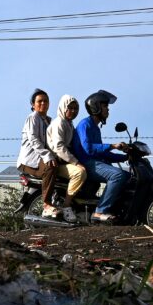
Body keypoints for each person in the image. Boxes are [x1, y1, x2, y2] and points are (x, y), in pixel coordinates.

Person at [71, 90, 131, 223]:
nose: (107, 110)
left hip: (95, 162)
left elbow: (103, 152)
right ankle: (100, 211)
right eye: (105, 106)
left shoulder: (96, 128)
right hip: (87, 162)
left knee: (127, 177)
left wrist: (125, 157)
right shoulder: (84, 124)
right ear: (96, 107)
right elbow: (89, 149)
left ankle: (117, 210)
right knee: (118, 175)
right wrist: (112, 146)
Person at [16, 89, 59, 219]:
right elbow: (34, 139)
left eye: (45, 101)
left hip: (40, 158)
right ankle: (46, 205)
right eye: (39, 101)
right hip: (29, 161)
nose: (43, 103)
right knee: (50, 167)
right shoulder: (33, 118)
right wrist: (48, 155)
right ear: (33, 105)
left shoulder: (49, 120)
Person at [46, 94, 87, 224]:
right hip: (57, 161)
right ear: (63, 108)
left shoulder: (69, 123)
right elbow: (59, 147)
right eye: (70, 108)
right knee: (79, 172)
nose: (73, 111)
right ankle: (66, 205)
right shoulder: (59, 123)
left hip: (64, 160)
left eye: (76, 109)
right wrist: (77, 162)